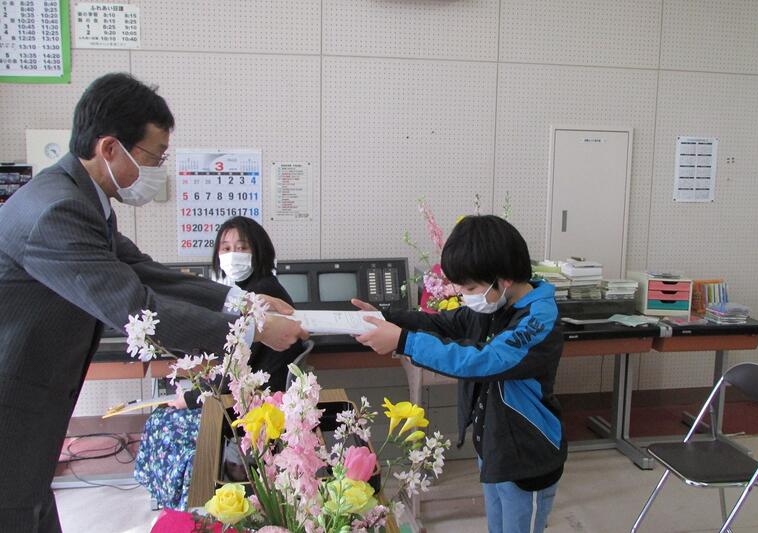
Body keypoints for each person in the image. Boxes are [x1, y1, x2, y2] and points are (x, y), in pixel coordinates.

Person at [0, 73, 307, 532]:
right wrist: (252, 329)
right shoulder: (58, 210)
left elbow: (146, 271)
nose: (159, 169)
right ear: (110, 148)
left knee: (31, 507)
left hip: (31, 403)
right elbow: (136, 307)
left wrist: (243, 301)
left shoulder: (79, 199)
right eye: (154, 157)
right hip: (13, 402)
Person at [353, 215, 566, 533]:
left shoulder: (538, 318)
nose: (465, 295)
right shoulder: (495, 305)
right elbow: (443, 323)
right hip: (495, 450)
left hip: (527, 457)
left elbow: (485, 360)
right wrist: (385, 318)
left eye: (470, 287)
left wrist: (403, 341)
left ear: (504, 279)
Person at [134, 217, 304, 510]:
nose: (232, 254)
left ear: (260, 251)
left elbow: (237, 375)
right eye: (225, 248)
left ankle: (193, 506)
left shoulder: (263, 297)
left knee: (163, 423)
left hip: (252, 404)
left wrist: (190, 398)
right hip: (248, 396)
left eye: (242, 247)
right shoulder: (252, 291)